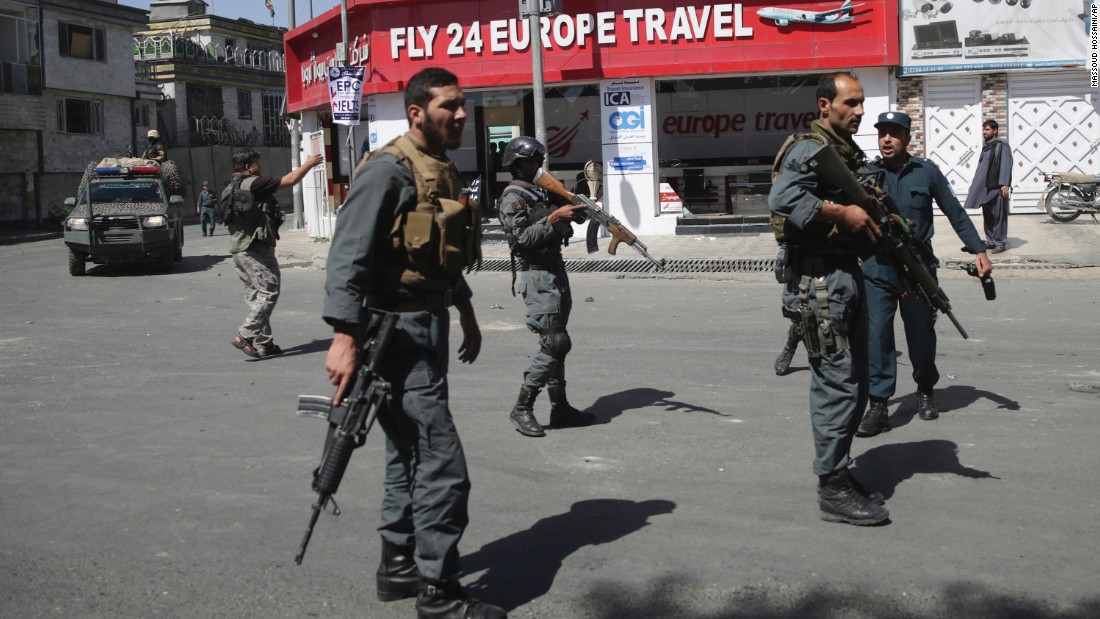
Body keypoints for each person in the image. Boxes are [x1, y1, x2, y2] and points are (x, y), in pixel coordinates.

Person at [321, 67, 505, 619]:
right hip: (393, 336)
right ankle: (440, 594)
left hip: (426, 326)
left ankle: (397, 566)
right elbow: (347, 256)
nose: (461, 115)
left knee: (407, 451)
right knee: (440, 461)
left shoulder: (439, 172)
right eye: (450, 105)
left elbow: (432, 258)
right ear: (417, 112)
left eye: (463, 105)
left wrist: (467, 311)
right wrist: (342, 336)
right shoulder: (388, 171)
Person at [768, 71, 889, 526]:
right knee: (837, 383)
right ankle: (832, 489)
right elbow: (781, 198)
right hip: (819, 281)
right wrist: (842, 211)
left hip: (844, 274)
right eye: (850, 103)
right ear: (824, 105)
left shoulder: (843, 152)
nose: (859, 111)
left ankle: (839, 471)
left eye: (861, 103)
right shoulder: (807, 147)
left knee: (853, 380)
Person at [856, 112, 993, 437]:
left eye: (894, 133)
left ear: (907, 137)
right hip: (877, 268)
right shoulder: (867, 176)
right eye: (882, 134)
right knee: (878, 338)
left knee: (921, 336)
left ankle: (925, 390)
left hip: (917, 269)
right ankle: (878, 404)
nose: (886, 139)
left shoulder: (927, 171)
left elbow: (954, 211)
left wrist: (979, 249)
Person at [497, 136, 595, 438]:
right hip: (536, 274)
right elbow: (520, 240)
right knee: (554, 343)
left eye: (539, 160)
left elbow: (562, 225)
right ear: (517, 165)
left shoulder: (539, 193)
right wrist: (554, 218)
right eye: (531, 161)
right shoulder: (513, 197)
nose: (538, 165)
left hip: (554, 269)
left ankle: (560, 407)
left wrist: (573, 211)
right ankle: (522, 407)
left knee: (559, 343)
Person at [228, 148, 323, 359]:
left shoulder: (232, 185)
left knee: (256, 296)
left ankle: (265, 343)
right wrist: (309, 163)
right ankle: (244, 334)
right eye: (255, 163)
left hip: (238, 249)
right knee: (269, 291)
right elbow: (289, 180)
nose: (259, 167)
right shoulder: (253, 183)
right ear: (247, 167)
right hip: (255, 248)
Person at [964, 119, 1012, 254]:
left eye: (987, 129)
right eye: (984, 129)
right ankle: (991, 241)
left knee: (999, 215)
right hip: (985, 187)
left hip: (997, 186)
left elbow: (1005, 164)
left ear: (995, 130)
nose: (984, 132)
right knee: (988, 215)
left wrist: (1005, 184)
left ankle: (1000, 242)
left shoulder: (1001, 145)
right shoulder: (987, 146)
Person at [772, 240, 803, 376]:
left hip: (834, 262)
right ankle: (790, 346)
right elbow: (786, 235)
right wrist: (781, 258)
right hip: (800, 262)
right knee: (801, 315)